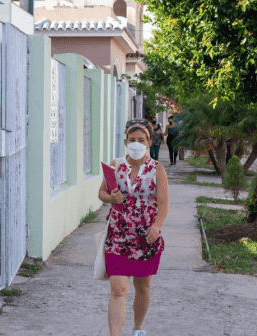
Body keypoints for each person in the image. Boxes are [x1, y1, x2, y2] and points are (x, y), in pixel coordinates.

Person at [98, 119, 169, 336]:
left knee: (143, 288)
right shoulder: (115, 165)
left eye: (141, 140)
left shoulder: (157, 169)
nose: (136, 144)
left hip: (145, 238)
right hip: (118, 237)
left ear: (149, 142)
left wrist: (156, 227)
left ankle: (138, 328)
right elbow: (102, 193)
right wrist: (112, 197)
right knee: (118, 289)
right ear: (125, 141)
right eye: (132, 140)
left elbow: (164, 203)